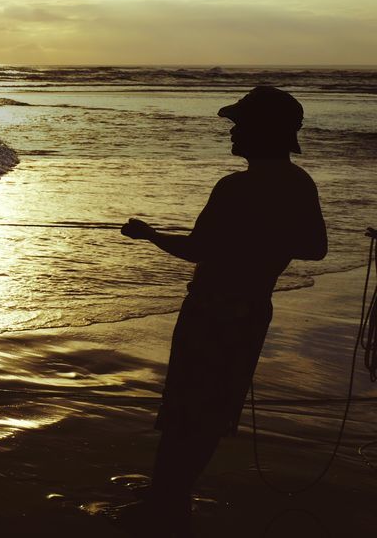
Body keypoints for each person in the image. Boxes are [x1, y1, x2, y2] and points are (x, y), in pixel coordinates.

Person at [119, 86, 327, 535]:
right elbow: (315, 248)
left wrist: (148, 234)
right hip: (253, 310)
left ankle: (166, 504)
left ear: (262, 132)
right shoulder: (299, 182)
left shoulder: (235, 186)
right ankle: (170, 495)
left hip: (211, 309)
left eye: (240, 125)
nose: (232, 132)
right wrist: (268, 243)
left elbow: (197, 249)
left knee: (186, 408)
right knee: (214, 408)